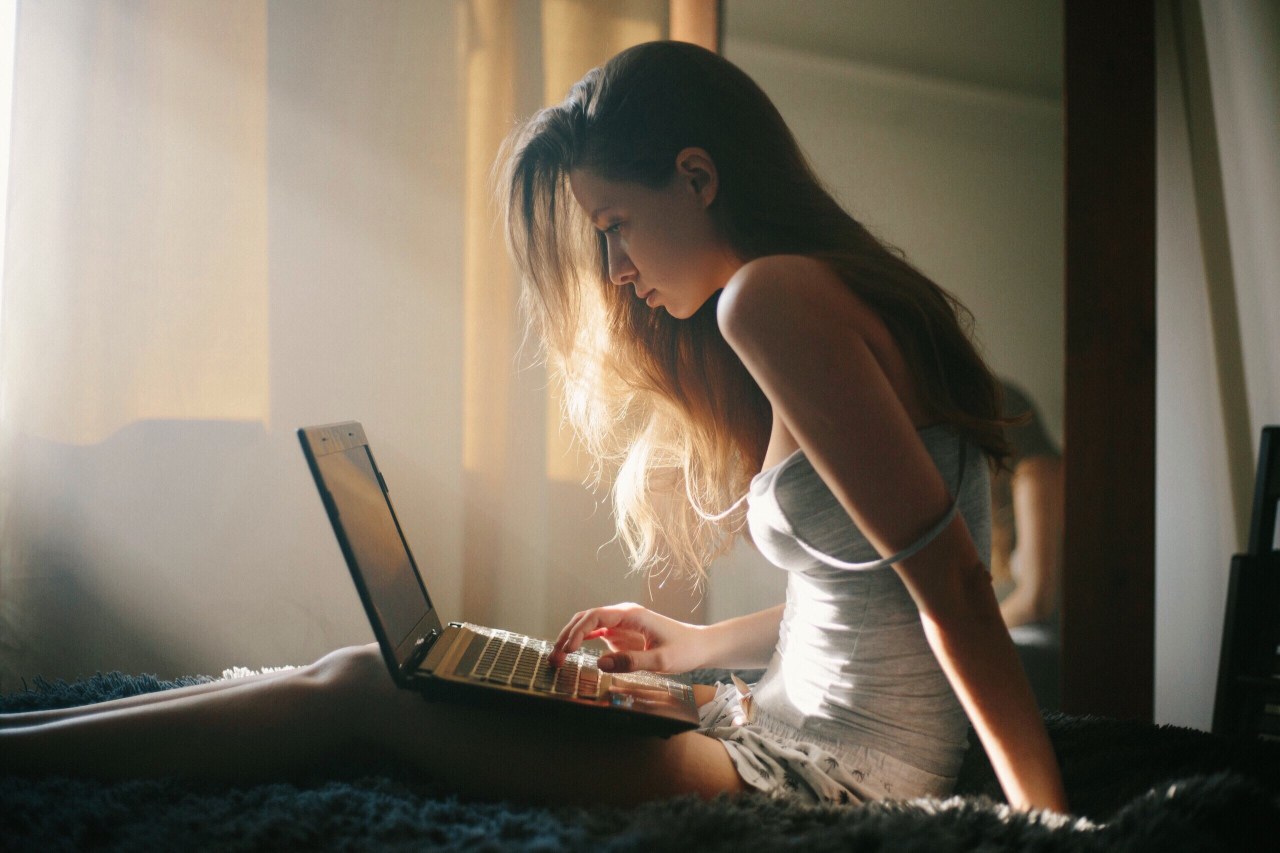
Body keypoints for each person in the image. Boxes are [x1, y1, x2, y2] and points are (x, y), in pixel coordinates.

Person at [1, 41, 1067, 813]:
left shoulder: (770, 303)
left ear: (695, 178)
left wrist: (1043, 825)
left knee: (363, 686)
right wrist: (694, 646)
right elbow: (864, 585)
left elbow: (957, 593)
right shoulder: (828, 294)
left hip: (823, 773)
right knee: (378, 672)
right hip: (759, 722)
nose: (616, 271)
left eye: (615, 226)